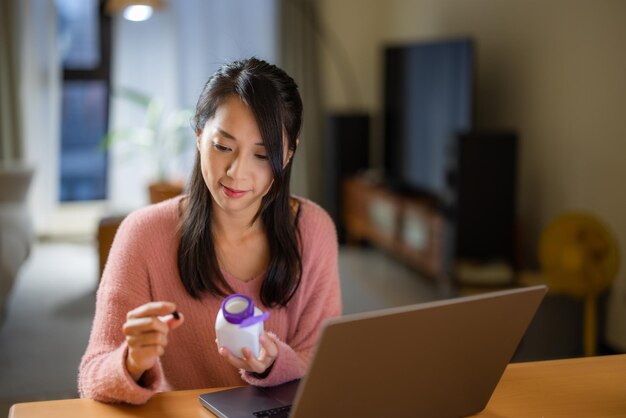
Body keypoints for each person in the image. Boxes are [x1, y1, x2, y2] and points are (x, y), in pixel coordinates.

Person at [78, 57, 342, 405]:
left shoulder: (313, 230)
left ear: (289, 154)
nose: (236, 172)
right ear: (199, 136)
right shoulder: (143, 234)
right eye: (223, 147)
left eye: (263, 155)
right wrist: (131, 361)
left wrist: (272, 363)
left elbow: (324, 365)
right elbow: (92, 378)